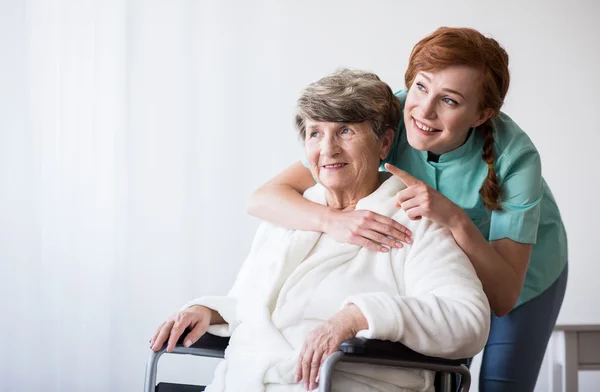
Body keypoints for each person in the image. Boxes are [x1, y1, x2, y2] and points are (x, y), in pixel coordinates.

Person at [247, 28, 568, 392]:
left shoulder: (517, 160)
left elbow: (503, 296)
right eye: (420, 87)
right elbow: (264, 198)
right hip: (441, 270)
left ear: (482, 114)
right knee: (441, 376)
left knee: (500, 385)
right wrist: (335, 222)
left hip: (524, 277)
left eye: (450, 101)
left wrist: (456, 218)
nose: (424, 110)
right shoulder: (386, 118)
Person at [150, 69, 490, 392]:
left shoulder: (414, 221)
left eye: (345, 131)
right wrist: (207, 311)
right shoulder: (287, 218)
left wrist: (358, 316)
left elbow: (468, 320)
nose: (328, 149)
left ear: (384, 143)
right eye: (315, 133)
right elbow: (249, 303)